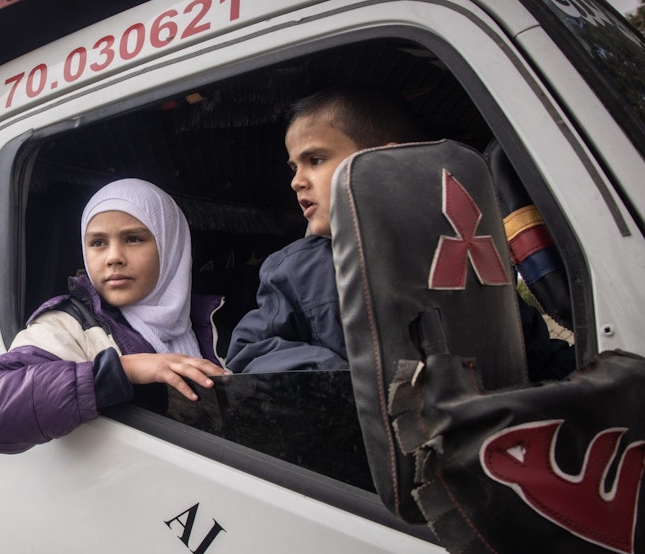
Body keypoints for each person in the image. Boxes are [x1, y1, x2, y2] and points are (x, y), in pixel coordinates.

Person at [226, 87, 573, 381]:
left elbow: (532, 354)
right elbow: (250, 351)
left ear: (386, 161)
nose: (296, 180)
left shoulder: (468, 253)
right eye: (294, 166)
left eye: (315, 159)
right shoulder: (293, 270)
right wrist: (341, 381)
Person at [0, 178, 227, 454]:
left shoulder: (214, 322)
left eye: (133, 239)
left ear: (172, 246)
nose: (113, 257)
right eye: (97, 242)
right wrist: (122, 370)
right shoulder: (68, 323)